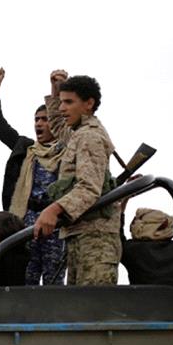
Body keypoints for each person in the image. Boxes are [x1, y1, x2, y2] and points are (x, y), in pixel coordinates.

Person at [33, 70, 121, 286]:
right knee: (78, 303)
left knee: (93, 304)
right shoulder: (78, 133)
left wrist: (53, 210)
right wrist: (55, 90)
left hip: (95, 240)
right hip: (80, 235)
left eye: (69, 102)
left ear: (88, 103)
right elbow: (58, 124)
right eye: (61, 102)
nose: (62, 108)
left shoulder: (89, 136)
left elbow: (89, 188)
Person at [0, 67, 66, 285]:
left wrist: (57, 89)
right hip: (26, 222)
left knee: (53, 281)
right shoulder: (26, 148)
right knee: (24, 279)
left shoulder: (68, 150)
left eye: (45, 119)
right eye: (37, 119)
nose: (39, 123)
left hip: (56, 222)